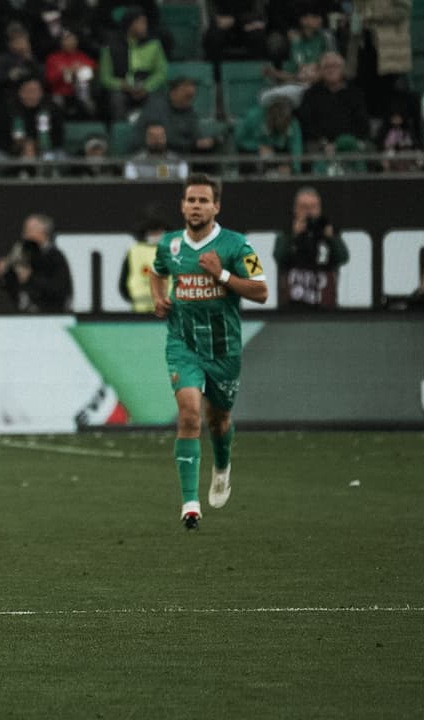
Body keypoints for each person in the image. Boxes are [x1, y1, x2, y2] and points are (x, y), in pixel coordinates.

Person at [150, 173, 269, 530]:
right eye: (191, 200)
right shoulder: (169, 245)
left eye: (203, 201)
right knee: (189, 415)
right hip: (183, 344)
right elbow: (156, 272)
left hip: (224, 349)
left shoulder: (238, 246)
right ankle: (190, 505)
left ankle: (222, 466)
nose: (196, 206)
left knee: (219, 421)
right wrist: (159, 298)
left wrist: (222, 276)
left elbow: (261, 291)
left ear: (216, 207)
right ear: (182, 206)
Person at [272, 186, 348, 309]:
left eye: (313, 207)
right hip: (292, 308)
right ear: (295, 209)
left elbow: (343, 257)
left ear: (319, 209)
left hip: (325, 307)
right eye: (304, 207)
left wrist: (331, 238)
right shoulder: (286, 234)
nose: (309, 212)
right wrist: (293, 235)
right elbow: (279, 257)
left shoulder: (328, 233)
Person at [0, 213, 73, 313]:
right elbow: (6, 285)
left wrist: (30, 277)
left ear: (42, 232)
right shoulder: (22, 254)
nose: (24, 234)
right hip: (23, 314)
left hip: (49, 315)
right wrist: (2, 273)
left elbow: (59, 290)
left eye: (29, 230)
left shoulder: (55, 257)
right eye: (25, 230)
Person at [118, 214, 169, 312]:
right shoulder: (134, 251)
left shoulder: (173, 250)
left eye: (159, 232)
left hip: (168, 310)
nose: (156, 235)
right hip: (141, 311)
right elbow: (123, 282)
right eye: (153, 232)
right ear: (146, 234)